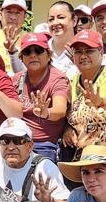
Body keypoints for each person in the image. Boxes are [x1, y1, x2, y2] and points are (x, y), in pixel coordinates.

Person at [62, 29, 106, 163]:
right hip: (84, 162)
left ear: (101, 52)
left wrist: (101, 102)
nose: (83, 56)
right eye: (78, 51)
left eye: (89, 51)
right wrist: (67, 128)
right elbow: (69, 115)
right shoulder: (72, 82)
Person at [15, 32, 70, 161]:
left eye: (38, 50)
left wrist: (46, 113)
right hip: (17, 141)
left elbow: (60, 110)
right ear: (21, 57)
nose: (33, 55)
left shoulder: (58, 79)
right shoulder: (16, 80)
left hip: (45, 145)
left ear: (49, 54)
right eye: (27, 52)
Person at [0, 0, 30, 70]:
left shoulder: (30, 40)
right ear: (0, 14)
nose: (13, 17)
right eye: (9, 12)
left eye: (18, 13)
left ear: (25, 17)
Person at [46, 1, 78, 76]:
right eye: (51, 19)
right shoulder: (42, 50)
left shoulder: (83, 49)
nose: (55, 23)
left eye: (61, 17)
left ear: (74, 21)